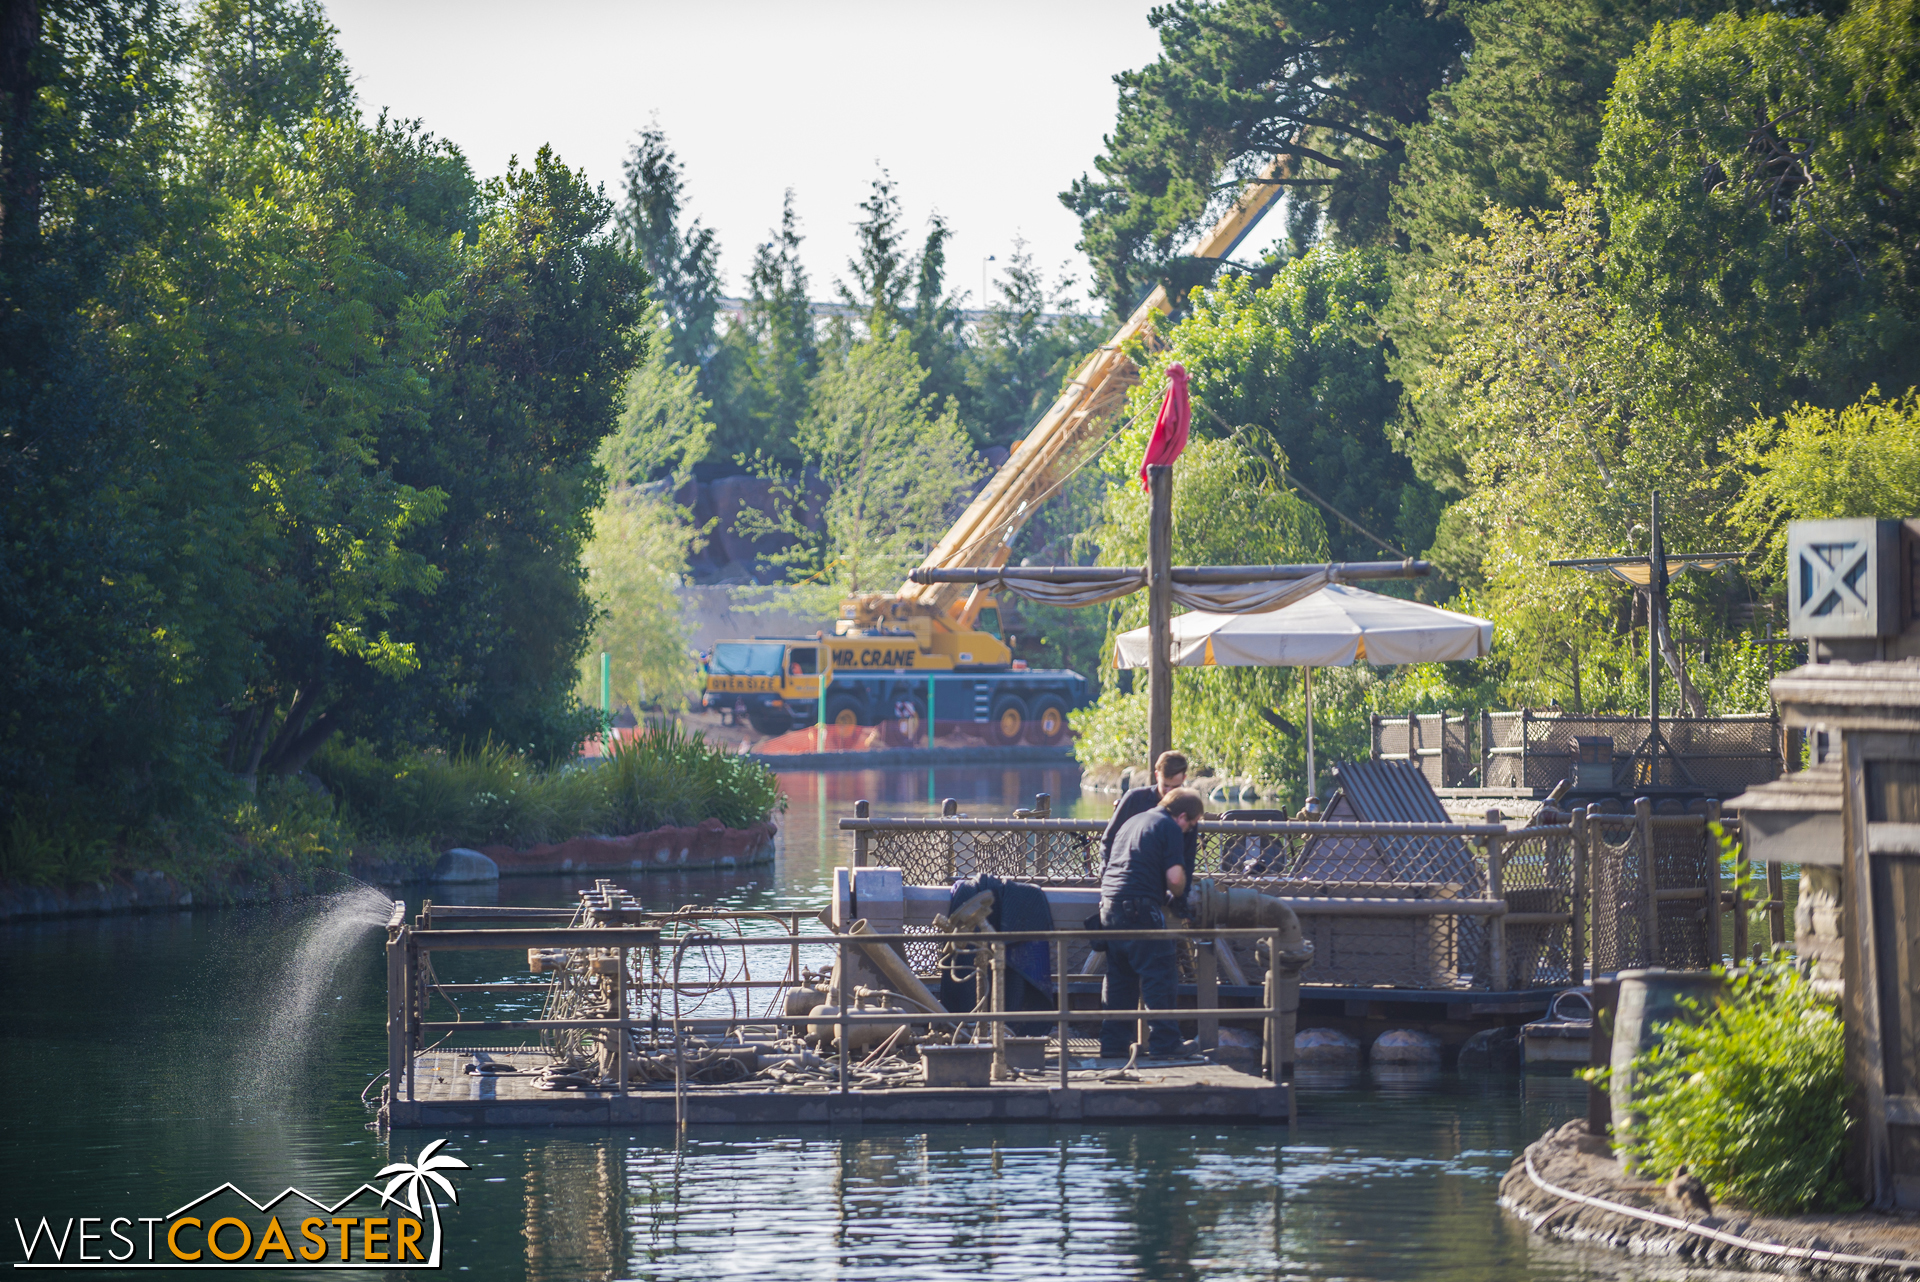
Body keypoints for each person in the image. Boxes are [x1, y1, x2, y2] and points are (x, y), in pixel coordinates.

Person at [1097, 787, 1204, 1059]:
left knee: (1120, 979)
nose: (1189, 831)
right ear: (1182, 816)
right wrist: (1177, 896)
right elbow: (1177, 879)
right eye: (1190, 825)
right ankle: (1166, 1044)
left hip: (1109, 907)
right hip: (1140, 909)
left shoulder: (1134, 820)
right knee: (1160, 974)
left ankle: (1113, 1046)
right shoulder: (1168, 826)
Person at [1100, 750, 1196, 885]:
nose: (1169, 792)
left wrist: (1181, 895)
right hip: (1129, 878)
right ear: (1157, 776)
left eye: (1175, 787)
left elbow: (1188, 857)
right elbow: (1109, 840)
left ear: (1184, 779)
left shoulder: (1188, 808)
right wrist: (1108, 877)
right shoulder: (1135, 799)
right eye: (1165, 786)